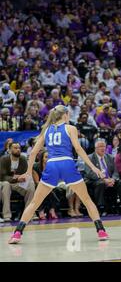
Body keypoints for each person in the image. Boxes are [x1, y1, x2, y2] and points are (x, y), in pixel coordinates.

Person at [8, 105, 109, 244]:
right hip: (67, 163)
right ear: (66, 115)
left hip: (52, 165)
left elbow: (32, 153)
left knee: (34, 202)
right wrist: (93, 167)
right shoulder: (70, 128)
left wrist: (28, 171)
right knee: (86, 199)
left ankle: (17, 233)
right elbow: (78, 149)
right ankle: (101, 231)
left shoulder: (47, 130)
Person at [85, 139, 121, 215]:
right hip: (95, 180)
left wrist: (113, 179)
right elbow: (89, 173)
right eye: (100, 146)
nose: (103, 148)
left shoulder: (110, 157)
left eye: (104, 146)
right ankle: (100, 207)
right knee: (100, 183)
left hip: (109, 179)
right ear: (95, 148)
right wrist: (104, 180)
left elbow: (115, 171)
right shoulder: (90, 158)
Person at [0, 142, 36, 222]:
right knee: (6, 185)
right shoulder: (4, 159)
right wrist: (16, 178)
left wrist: (23, 177)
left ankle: (28, 214)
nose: (18, 149)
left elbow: (25, 174)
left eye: (19, 148)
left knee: (31, 184)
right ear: (9, 150)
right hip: (5, 182)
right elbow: (2, 176)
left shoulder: (23, 159)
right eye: (15, 148)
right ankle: (7, 216)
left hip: (17, 183)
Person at [32, 150, 65, 220]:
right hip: (38, 185)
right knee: (45, 190)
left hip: (50, 186)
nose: (48, 159)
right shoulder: (35, 166)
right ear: (42, 158)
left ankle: (49, 210)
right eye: (46, 157)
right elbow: (37, 181)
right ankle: (45, 210)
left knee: (56, 190)